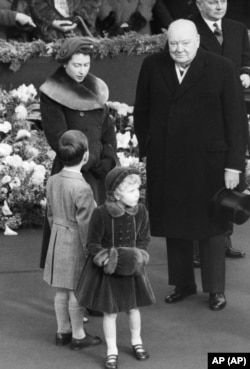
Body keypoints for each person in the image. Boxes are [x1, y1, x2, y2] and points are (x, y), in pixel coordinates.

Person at [134, 19, 246, 311]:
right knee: (175, 224)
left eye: (185, 43)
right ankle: (182, 284)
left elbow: (236, 122)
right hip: (167, 160)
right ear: (166, 42)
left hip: (211, 163)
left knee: (212, 227)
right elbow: (142, 111)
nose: (179, 49)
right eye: (173, 44)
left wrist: (234, 166)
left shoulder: (221, 67)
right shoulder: (152, 66)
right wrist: (147, 148)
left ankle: (215, 289)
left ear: (198, 40)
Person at [39, 37, 117, 272]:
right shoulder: (52, 92)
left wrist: (109, 158)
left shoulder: (96, 88)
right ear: (65, 64)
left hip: (100, 172)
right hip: (74, 172)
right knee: (75, 236)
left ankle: (98, 290)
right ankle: (78, 290)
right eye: (77, 65)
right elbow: (59, 137)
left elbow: (107, 128)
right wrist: (89, 161)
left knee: (101, 233)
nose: (82, 70)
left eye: (86, 64)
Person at [76, 166, 155, 369]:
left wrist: (140, 256)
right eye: (130, 191)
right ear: (116, 193)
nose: (136, 194)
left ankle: (137, 341)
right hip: (109, 273)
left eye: (138, 189)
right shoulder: (101, 213)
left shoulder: (142, 211)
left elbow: (144, 238)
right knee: (110, 312)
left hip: (133, 270)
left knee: (133, 308)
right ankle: (112, 350)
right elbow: (92, 244)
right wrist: (107, 260)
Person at [193, 0, 250, 260]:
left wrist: (247, 73)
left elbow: (245, 58)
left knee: (232, 177)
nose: (219, 6)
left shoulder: (237, 27)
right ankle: (196, 245)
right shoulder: (188, 28)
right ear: (199, 3)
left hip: (234, 110)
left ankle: (224, 239)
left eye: (223, 0)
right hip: (206, 112)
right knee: (202, 181)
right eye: (212, 1)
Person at [43, 129, 102, 350]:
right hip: (76, 242)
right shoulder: (82, 187)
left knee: (60, 289)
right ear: (85, 156)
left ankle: (62, 331)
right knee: (76, 291)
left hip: (57, 238)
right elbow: (87, 224)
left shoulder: (52, 180)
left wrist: (58, 232)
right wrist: (92, 251)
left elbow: (50, 214)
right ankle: (78, 334)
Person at [30, 0, 102, 41]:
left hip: (80, 28)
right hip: (49, 31)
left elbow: (92, 3)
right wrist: (53, 21)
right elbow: (37, 3)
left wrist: (76, 19)